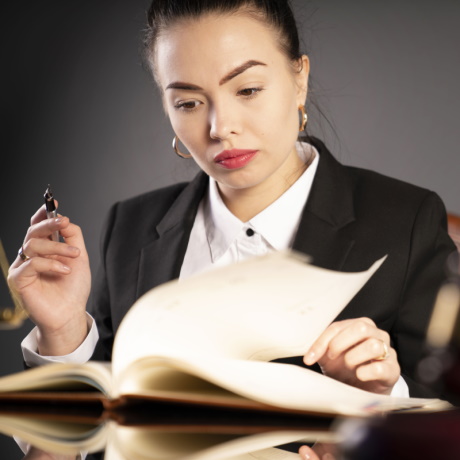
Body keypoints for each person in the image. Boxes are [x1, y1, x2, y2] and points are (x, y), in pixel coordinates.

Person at [7, 0, 456, 458]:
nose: (221, 128)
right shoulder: (131, 227)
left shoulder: (405, 220)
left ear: (299, 78)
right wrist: (62, 334)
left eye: (248, 89)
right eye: (188, 102)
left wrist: (381, 406)